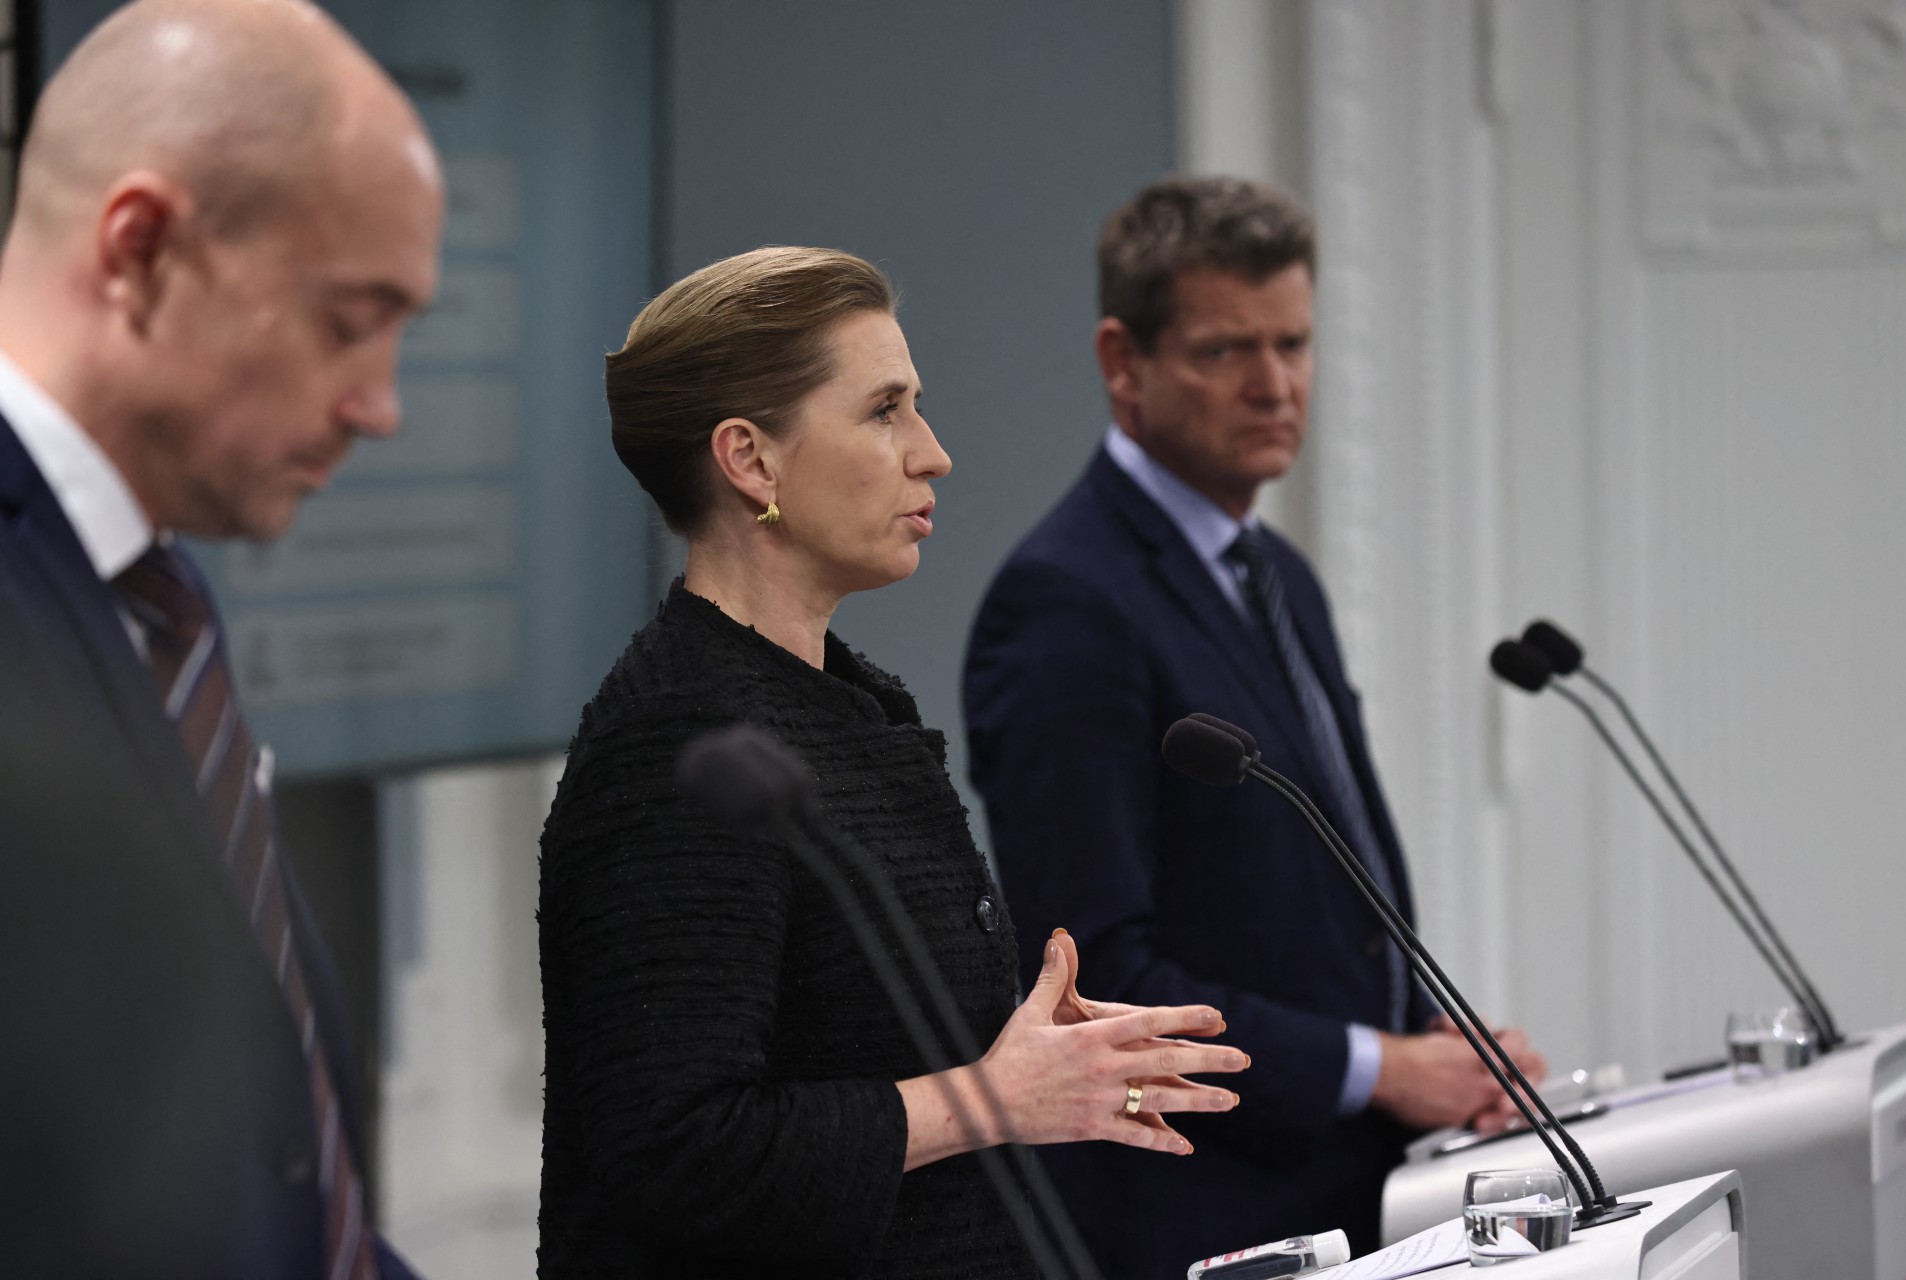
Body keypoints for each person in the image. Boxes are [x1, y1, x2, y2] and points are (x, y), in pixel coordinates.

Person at [536, 245, 1251, 1279]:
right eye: (884, 411)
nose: (934, 454)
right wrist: (994, 1097)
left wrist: (1032, 1049)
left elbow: (838, 1042)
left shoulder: (840, 697)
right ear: (750, 461)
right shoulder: (679, 743)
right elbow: (676, 1150)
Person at [962, 177, 1545, 1273]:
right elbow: (1093, 977)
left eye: (1294, 343)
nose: (1275, 384)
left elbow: (1316, 896)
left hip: (1343, 1187)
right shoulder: (1065, 603)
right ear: (1123, 361)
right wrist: (1377, 1068)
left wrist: (1429, 1051)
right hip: (1196, 1215)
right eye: (1226, 350)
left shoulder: (1276, 572)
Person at [0, 2, 444, 1276]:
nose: (381, 405)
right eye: (347, 319)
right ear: (139, 250)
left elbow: (268, 1168)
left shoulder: (155, 592)